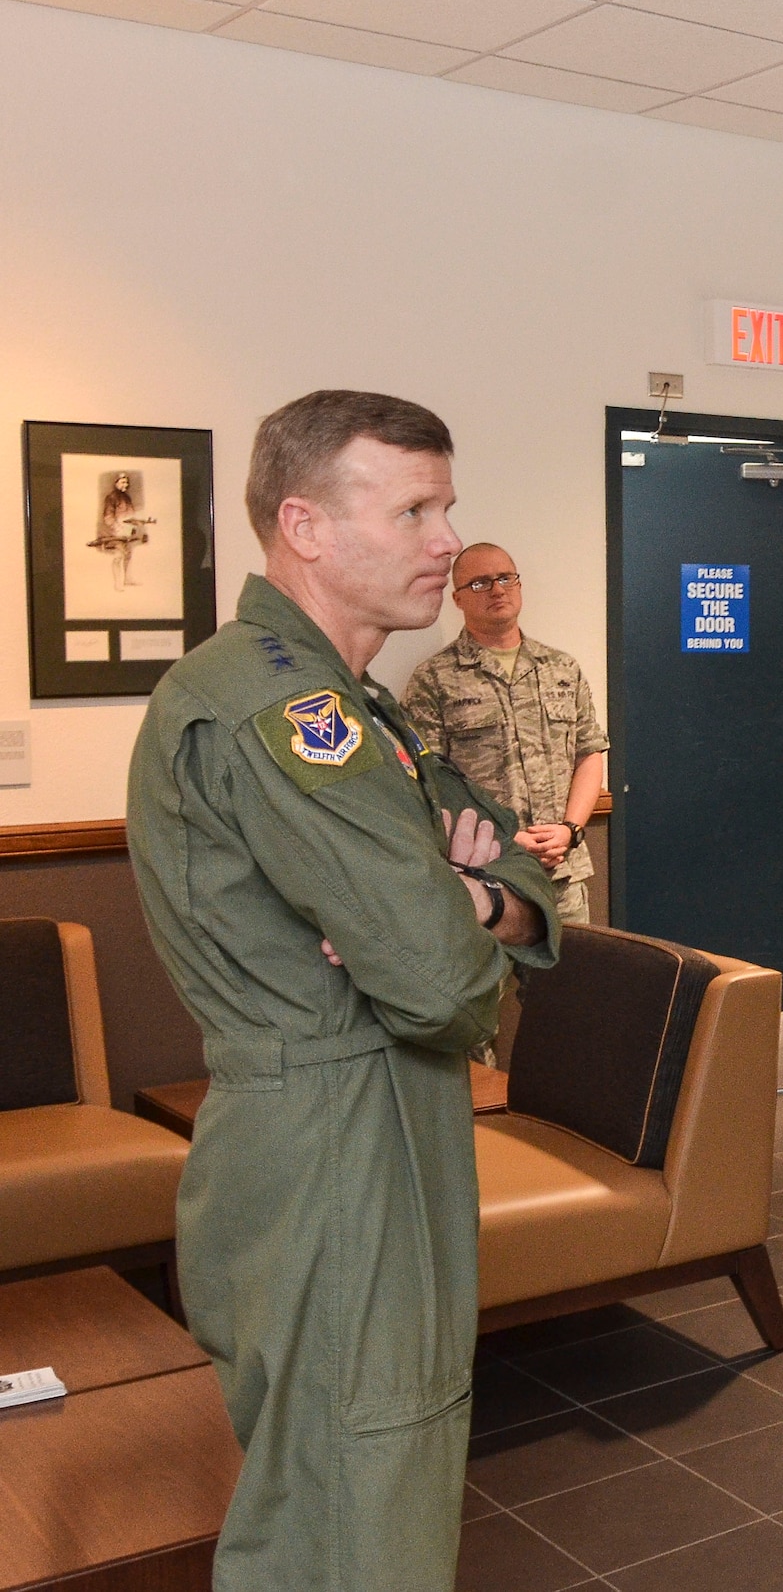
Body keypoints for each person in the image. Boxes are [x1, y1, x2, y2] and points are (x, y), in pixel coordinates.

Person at [127, 390, 560, 1592]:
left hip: (377, 1120)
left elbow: (512, 881)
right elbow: (431, 984)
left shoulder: (355, 702)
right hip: (333, 1140)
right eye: (413, 507)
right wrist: (449, 925)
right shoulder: (285, 706)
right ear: (305, 526)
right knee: (350, 1496)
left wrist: (471, 901)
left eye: (448, 506)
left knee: (375, 1466)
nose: (446, 542)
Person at [403, 543, 607, 926]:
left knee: (577, 984)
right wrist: (503, 840)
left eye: (505, 578)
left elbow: (589, 753)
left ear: (518, 584)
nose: (497, 590)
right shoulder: (433, 680)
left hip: (562, 876)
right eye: (479, 583)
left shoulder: (562, 669)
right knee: (491, 987)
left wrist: (571, 830)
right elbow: (427, 783)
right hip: (484, 877)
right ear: (457, 598)